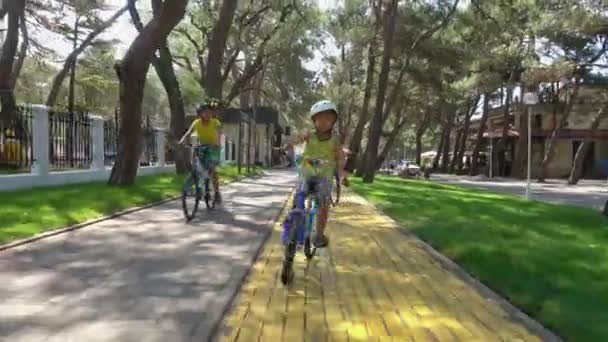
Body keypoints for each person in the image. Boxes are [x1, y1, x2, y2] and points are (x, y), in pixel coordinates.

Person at [286, 100, 345, 248]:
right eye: (320, 119)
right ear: (314, 121)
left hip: (324, 177)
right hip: (307, 173)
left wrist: (341, 170)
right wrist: (288, 144)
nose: (324, 122)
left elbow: (340, 155)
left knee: (323, 206)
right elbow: (296, 139)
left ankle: (319, 234)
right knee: (299, 194)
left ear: (333, 122)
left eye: (328, 119)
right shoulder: (309, 135)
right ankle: (295, 218)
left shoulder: (335, 139)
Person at [179, 98, 223, 204]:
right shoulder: (196, 122)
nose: (208, 114)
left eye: (209, 112)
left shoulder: (215, 122)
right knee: (195, 166)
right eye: (205, 112)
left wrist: (217, 143)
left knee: (212, 170)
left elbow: (218, 133)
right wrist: (182, 141)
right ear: (200, 113)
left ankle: (217, 193)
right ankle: (192, 185)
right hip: (201, 146)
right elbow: (189, 132)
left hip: (213, 147)